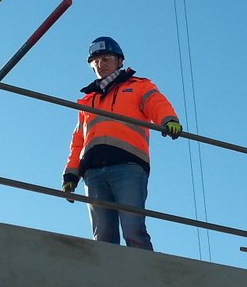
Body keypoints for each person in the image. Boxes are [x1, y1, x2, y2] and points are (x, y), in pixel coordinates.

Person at [61, 36, 182, 250]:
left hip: (128, 166)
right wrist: (71, 175)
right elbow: (78, 141)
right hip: (94, 173)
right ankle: (109, 282)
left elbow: (156, 102)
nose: (101, 64)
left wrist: (169, 120)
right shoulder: (87, 100)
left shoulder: (138, 86)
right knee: (103, 237)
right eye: (96, 61)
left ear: (119, 61)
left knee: (133, 229)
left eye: (106, 58)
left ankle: (144, 278)